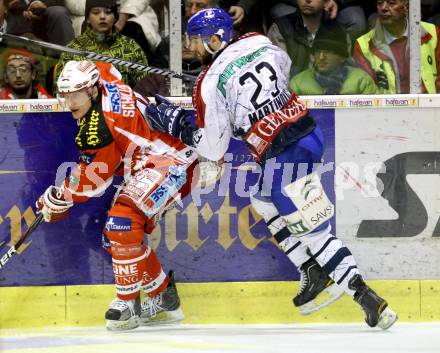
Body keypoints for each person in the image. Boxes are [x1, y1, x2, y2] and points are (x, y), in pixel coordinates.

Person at [144, 8, 398, 329]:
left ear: (215, 39)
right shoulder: (259, 41)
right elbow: (282, 69)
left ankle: (365, 297)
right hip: (308, 133)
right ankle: (310, 269)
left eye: (194, 40)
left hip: (282, 155)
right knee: (260, 197)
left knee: (314, 232)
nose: (189, 47)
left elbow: (212, 148)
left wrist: (179, 125)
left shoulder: (207, 84)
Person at [35, 59, 198, 331]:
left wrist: (60, 194)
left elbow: (95, 180)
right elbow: (107, 66)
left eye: (76, 95)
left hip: (170, 159)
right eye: (65, 96)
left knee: (122, 222)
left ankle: (128, 304)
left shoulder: (100, 127)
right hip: (149, 159)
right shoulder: (107, 78)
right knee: (117, 237)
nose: (70, 103)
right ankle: (163, 298)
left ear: (92, 90)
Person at [55, 0, 148, 88]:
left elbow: (145, 89)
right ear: (87, 18)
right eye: (96, 13)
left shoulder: (131, 47)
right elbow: (60, 89)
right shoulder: (73, 49)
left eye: (108, 12)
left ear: (115, 17)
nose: (102, 16)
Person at [353, 0, 440, 94]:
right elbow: (366, 93)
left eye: (391, 3)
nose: (383, 8)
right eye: (379, 3)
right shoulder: (363, 45)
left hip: (429, 106)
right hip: (387, 108)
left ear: (406, 7)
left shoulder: (432, 32)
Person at [289, 22, 378, 95]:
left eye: (328, 52)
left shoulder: (361, 81)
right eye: (317, 51)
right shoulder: (298, 84)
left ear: (342, 57)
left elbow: (374, 114)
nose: (321, 57)